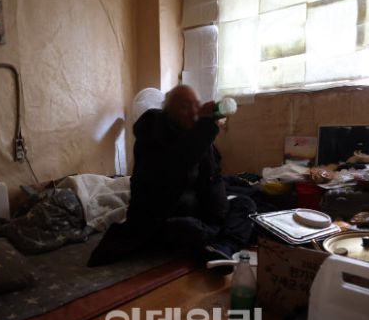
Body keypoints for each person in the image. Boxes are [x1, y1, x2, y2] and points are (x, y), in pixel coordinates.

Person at [88, 85, 255, 266]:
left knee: (245, 204)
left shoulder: (197, 135)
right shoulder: (153, 132)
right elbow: (176, 165)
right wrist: (205, 127)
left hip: (200, 214)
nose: (193, 111)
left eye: (196, 104)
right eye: (185, 106)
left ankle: (223, 248)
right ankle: (215, 239)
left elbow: (213, 180)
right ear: (168, 112)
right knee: (186, 227)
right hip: (163, 217)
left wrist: (218, 216)